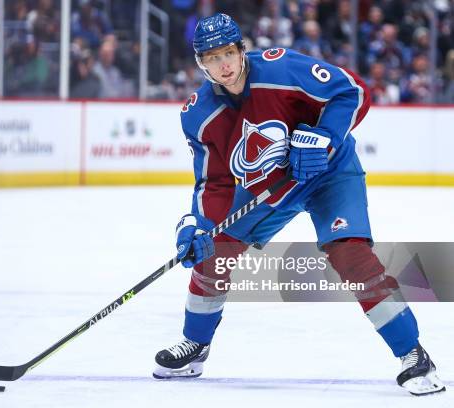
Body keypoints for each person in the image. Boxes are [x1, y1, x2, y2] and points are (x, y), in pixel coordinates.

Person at [153, 13, 445, 397]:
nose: (222, 64)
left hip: (329, 174)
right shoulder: (199, 115)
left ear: (242, 50)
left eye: (228, 52)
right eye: (211, 57)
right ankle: (195, 344)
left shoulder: (282, 68)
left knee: (350, 255)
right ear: (200, 63)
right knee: (215, 248)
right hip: (272, 188)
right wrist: (200, 225)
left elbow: (352, 91)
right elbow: (215, 182)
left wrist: (324, 138)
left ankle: (413, 353)